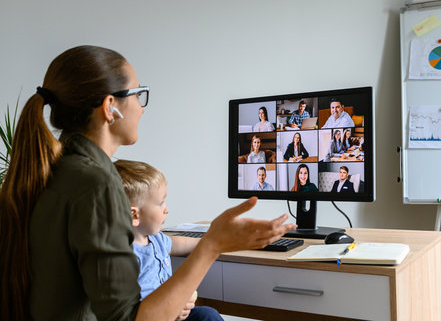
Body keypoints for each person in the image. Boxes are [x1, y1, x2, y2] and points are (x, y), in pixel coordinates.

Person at [0, 45, 296, 321]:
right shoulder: (96, 183)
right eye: (138, 94)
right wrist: (212, 245)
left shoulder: (53, 170)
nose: (142, 108)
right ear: (110, 106)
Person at [114, 159, 222, 321]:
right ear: (135, 215)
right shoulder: (125, 256)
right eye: (161, 203)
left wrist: (211, 243)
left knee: (207, 314)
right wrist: (170, 311)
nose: (167, 209)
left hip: (172, 311)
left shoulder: (154, 237)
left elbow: (177, 243)